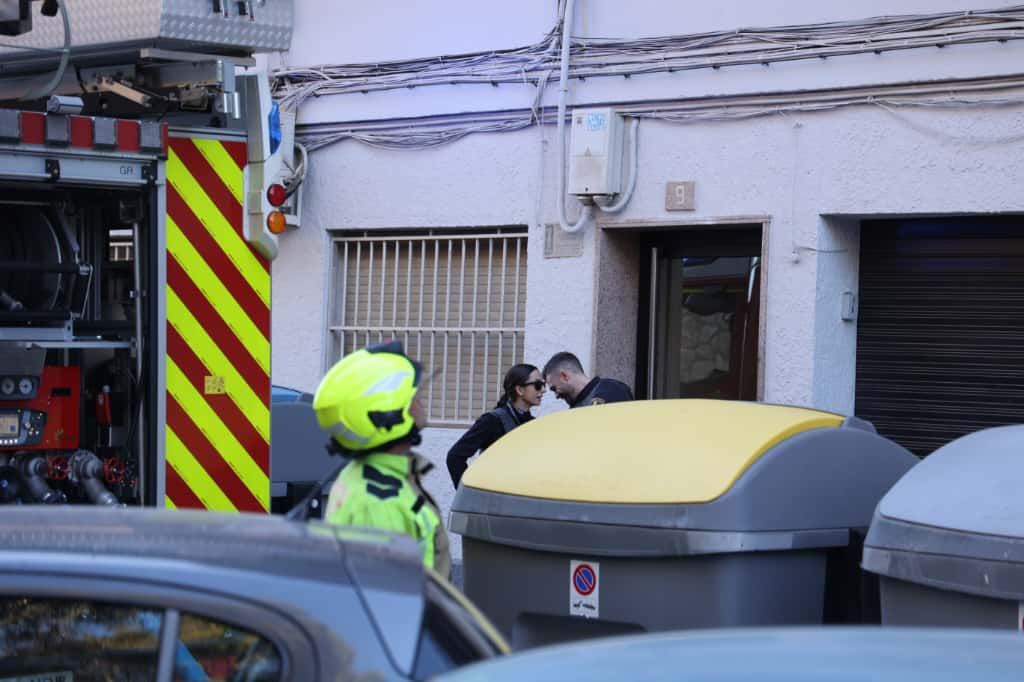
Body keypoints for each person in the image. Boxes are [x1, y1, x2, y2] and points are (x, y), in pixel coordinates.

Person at [312, 340, 451, 579]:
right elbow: (389, 593)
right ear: (387, 415)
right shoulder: (380, 503)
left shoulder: (368, 476)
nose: (420, 402)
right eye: (412, 397)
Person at [446, 364, 545, 487]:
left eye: (543, 384)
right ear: (519, 390)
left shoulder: (533, 424)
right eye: (537, 385)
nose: (543, 390)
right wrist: (469, 493)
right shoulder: (491, 421)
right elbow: (455, 457)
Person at [542, 351, 634, 408]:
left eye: (554, 388)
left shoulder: (611, 390)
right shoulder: (574, 409)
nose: (556, 396)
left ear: (564, 376)